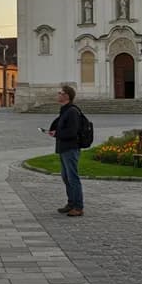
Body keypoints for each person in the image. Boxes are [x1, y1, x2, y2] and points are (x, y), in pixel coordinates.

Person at [47, 85, 83, 217]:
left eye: (60, 93)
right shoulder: (65, 110)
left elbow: (72, 131)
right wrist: (55, 132)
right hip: (64, 147)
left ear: (67, 96)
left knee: (73, 177)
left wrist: (57, 133)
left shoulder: (72, 111)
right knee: (66, 177)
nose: (58, 95)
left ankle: (78, 207)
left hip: (71, 148)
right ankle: (71, 203)